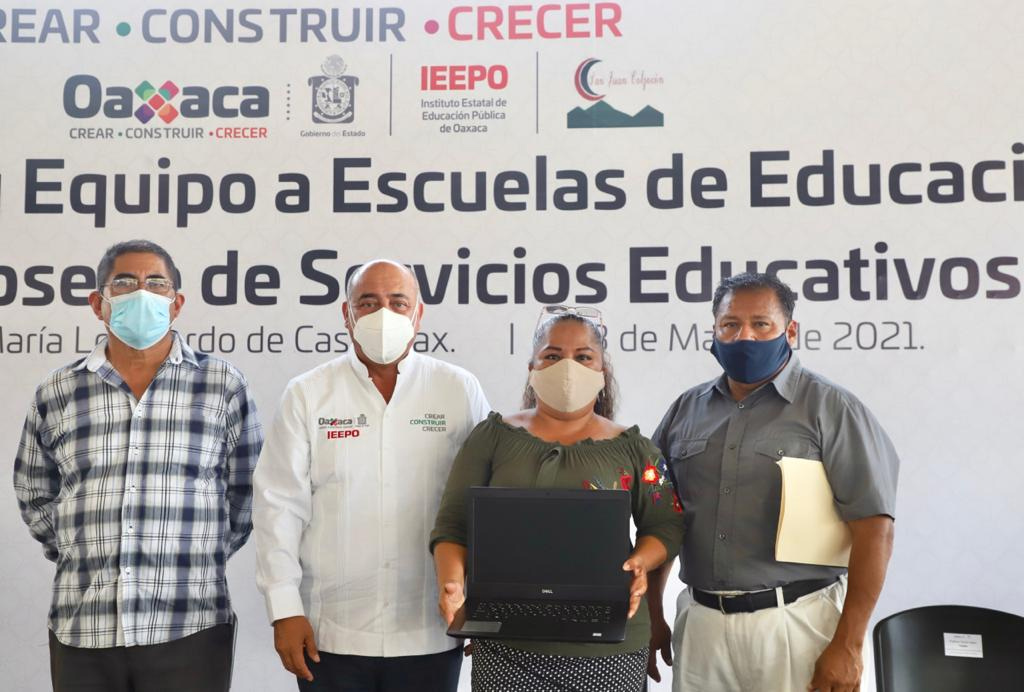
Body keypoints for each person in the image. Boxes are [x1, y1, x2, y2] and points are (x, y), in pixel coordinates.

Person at [13, 239, 263, 692]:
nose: (142, 294)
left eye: (157, 284)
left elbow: (247, 491)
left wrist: (194, 553)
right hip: (84, 625)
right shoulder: (58, 390)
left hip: (191, 624)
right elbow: (34, 492)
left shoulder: (221, 384)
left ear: (176, 303)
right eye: (125, 283)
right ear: (98, 304)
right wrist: (78, 547)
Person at [647, 272, 900, 692]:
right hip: (702, 626)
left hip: (797, 623)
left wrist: (850, 644)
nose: (744, 336)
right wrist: (653, 614)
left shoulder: (832, 408)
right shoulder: (686, 410)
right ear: (714, 330)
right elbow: (661, 520)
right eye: (730, 324)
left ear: (790, 330)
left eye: (761, 324)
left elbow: (875, 530)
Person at [254, 259, 490, 692]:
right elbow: (278, 508)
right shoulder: (308, 393)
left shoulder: (458, 389)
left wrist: (483, 600)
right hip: (330, 633)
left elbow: (482, 500)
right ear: (347, 315)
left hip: (431, 631)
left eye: (398, 302)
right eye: (368, 302)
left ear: (418, 314)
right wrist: (284, 609)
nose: (384, 314)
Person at [431, 306, 684, 692]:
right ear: (532, 367)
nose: (568, 367)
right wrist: (452, 584)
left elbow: (666, 524)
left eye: (583, 357)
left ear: (602, 370)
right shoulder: (492, 437)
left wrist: (640, 561)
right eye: (552, 356)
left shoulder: (636, 449)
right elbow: (453, 524)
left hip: (610, 648)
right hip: (507, 643)